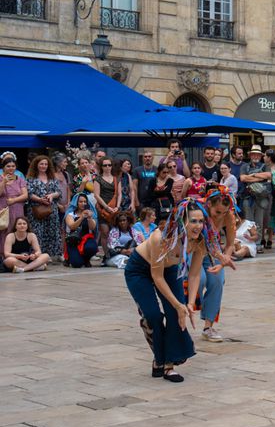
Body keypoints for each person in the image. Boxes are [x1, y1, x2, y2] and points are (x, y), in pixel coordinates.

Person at [124, 198, 215, 382]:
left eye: (201, 221)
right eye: (194, 221)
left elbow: (195, 274)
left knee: (176, 313)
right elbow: (156, 277)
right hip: (140, 269)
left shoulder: (201, 240)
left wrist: (188, 304)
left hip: (170, 269)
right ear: (183, 222)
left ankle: (168, 365)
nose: (198, 226)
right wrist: (177, 303)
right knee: (154, 316)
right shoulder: (162, 238)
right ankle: (159, 357)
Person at [190, 183, 237, 343]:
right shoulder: (197, 210)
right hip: (193, 248)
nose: (219, 216)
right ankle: (182, 312)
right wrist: (221, 256)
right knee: (199, 279)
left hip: (213, 250)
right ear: (209, 204)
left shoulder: (228, 215)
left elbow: (230, 244)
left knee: (217, 281)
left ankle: (208, 326)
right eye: (217, 212)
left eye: (223, 212)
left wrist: (223, 262)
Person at [26, 155, 63, 261]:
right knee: (38, 232)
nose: (44, 166)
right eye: (41, 164)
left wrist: (51, 196)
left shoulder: (52, 177)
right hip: (36, 209)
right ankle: (39, 254)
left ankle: (52, 254)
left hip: (51, 209)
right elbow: (29, 193)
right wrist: (40, 199)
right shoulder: (30, 178)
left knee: (52, 231)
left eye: (46, 164)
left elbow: (59, 192)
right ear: (36, 165)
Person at [240, 146, 272, 253]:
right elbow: (243, 178)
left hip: (261, 198)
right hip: (247, 197)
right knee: (248, 222)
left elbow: (268, 175)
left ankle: (258, 244)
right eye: (253, 154)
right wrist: (259, 177)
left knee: (259, 222)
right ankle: (249, 242)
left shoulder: (265, 166)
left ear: (260, 156)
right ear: (250, 155)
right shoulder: (244, 166)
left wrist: (252, 175)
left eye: (257, 154)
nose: (255, 156)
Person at [64, 193, 99, 268]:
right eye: (80, 202)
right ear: (76, 203)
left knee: (92, 247)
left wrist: (89, 218)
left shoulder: (91, 214)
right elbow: (72, 226)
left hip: (86, 239)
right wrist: (82, 217)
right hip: (73, 240)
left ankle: (86, 259)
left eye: (85, 202)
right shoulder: (70, 214)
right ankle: (70, 258)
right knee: (77, 264)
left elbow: (93, 228)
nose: (83, 203)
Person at [95, 157, 119, 263]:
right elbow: (96, 195)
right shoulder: (98, 179)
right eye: (105, 165)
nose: (107, 167)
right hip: (103, 208)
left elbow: (119, 194)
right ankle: (106, 255)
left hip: (115, 209)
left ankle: (115, 253)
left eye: (109, 165)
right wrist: (106, 207)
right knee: (105, 232)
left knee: (115, 232)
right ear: (101, 167)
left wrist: (117, 206)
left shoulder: (116, 178)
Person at [2, 154, 28, 244]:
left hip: (17, 209)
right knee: (3, 230)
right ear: (3, 167)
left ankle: (14, 253)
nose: (11, 168)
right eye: (8, 166)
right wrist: (4, 182)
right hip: (3, 209)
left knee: (16, 230)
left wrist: (14, 200)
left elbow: (25, 195)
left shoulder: (20, 179)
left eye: (13, 166)